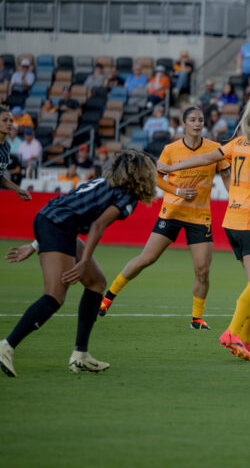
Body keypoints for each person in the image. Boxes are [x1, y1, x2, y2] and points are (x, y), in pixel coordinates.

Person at [158, 96, 250, 362]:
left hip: (232, 222)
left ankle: (244, 340)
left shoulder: (239, 142)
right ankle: (233, 334)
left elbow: (207, 158)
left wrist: (173, 166)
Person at [0, 150, 157, 377]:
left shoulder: (104, 181)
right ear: (141, 174)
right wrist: (83, 261)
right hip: (57, 226)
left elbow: (68, 205)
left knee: (96, 283)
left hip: (55, 223)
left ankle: (80, 356)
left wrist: (34, 245)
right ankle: (6, 345)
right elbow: (98, 226)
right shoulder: (127, 195)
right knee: (55, 295)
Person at [99, 107, 231, 330]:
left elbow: (226, 175)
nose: (197, 124)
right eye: (192, 120)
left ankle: (197, 319)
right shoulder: (171, 149)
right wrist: (176, 191)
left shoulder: (214, 149)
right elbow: (157, 178)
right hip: (171, 213)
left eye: (200, 120)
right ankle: (108, 297)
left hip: (199, 216)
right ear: (184, 123)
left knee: (203, 270)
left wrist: (235, 198)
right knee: (146, 259)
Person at [0, 105, 32, 236]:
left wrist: (18, 190)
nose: (9, 123)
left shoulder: (6, 147)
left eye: (10, 120)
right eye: (5, 120)